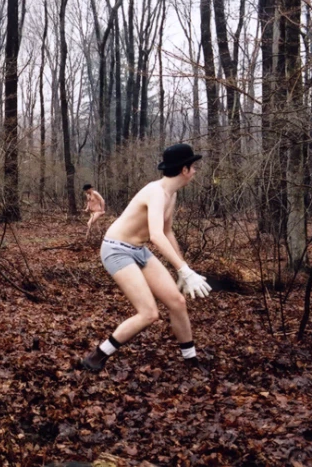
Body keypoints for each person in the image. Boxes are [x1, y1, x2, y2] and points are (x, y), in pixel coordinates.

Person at [78, 143, 212, 373]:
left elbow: (168, 232)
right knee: (149, 313)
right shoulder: (157, 192)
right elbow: (156, 235)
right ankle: (96, 357)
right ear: (184, 170)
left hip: (138, 250)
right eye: (193, 167)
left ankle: (191, 362)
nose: (195, 171)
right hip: (116, 250)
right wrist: (183, 270)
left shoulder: (171, 194)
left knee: (177, 302)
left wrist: (183, 267)